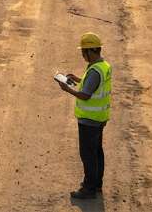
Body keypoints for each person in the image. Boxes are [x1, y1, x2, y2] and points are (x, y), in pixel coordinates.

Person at [56, 32, 112, 200]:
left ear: (91, 51)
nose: (82, 55)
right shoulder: (103, 66)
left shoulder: (95, 70)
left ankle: (89, 189)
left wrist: (68, 89)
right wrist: (78, 79)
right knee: (96, 152)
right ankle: (96, 184)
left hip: (90, 120)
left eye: (83, 52)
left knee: (88, 154)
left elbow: (86, 95)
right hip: (99, 118)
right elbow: (93, 86)